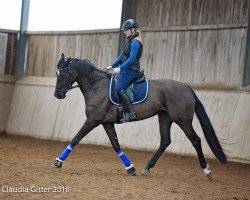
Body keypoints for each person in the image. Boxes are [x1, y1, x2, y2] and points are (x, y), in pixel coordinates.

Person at [106, 19, 143, 123]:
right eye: (124, 30)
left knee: (119, 88)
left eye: (126, 30)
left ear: (133, 29)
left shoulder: (136, 42)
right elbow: (122, 56)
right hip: (125, 69)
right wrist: (111, 66)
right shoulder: (129, 40)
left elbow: (131, 59)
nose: (124, 32)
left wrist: (118, 69)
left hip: (132, 70)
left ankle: (129, 112)